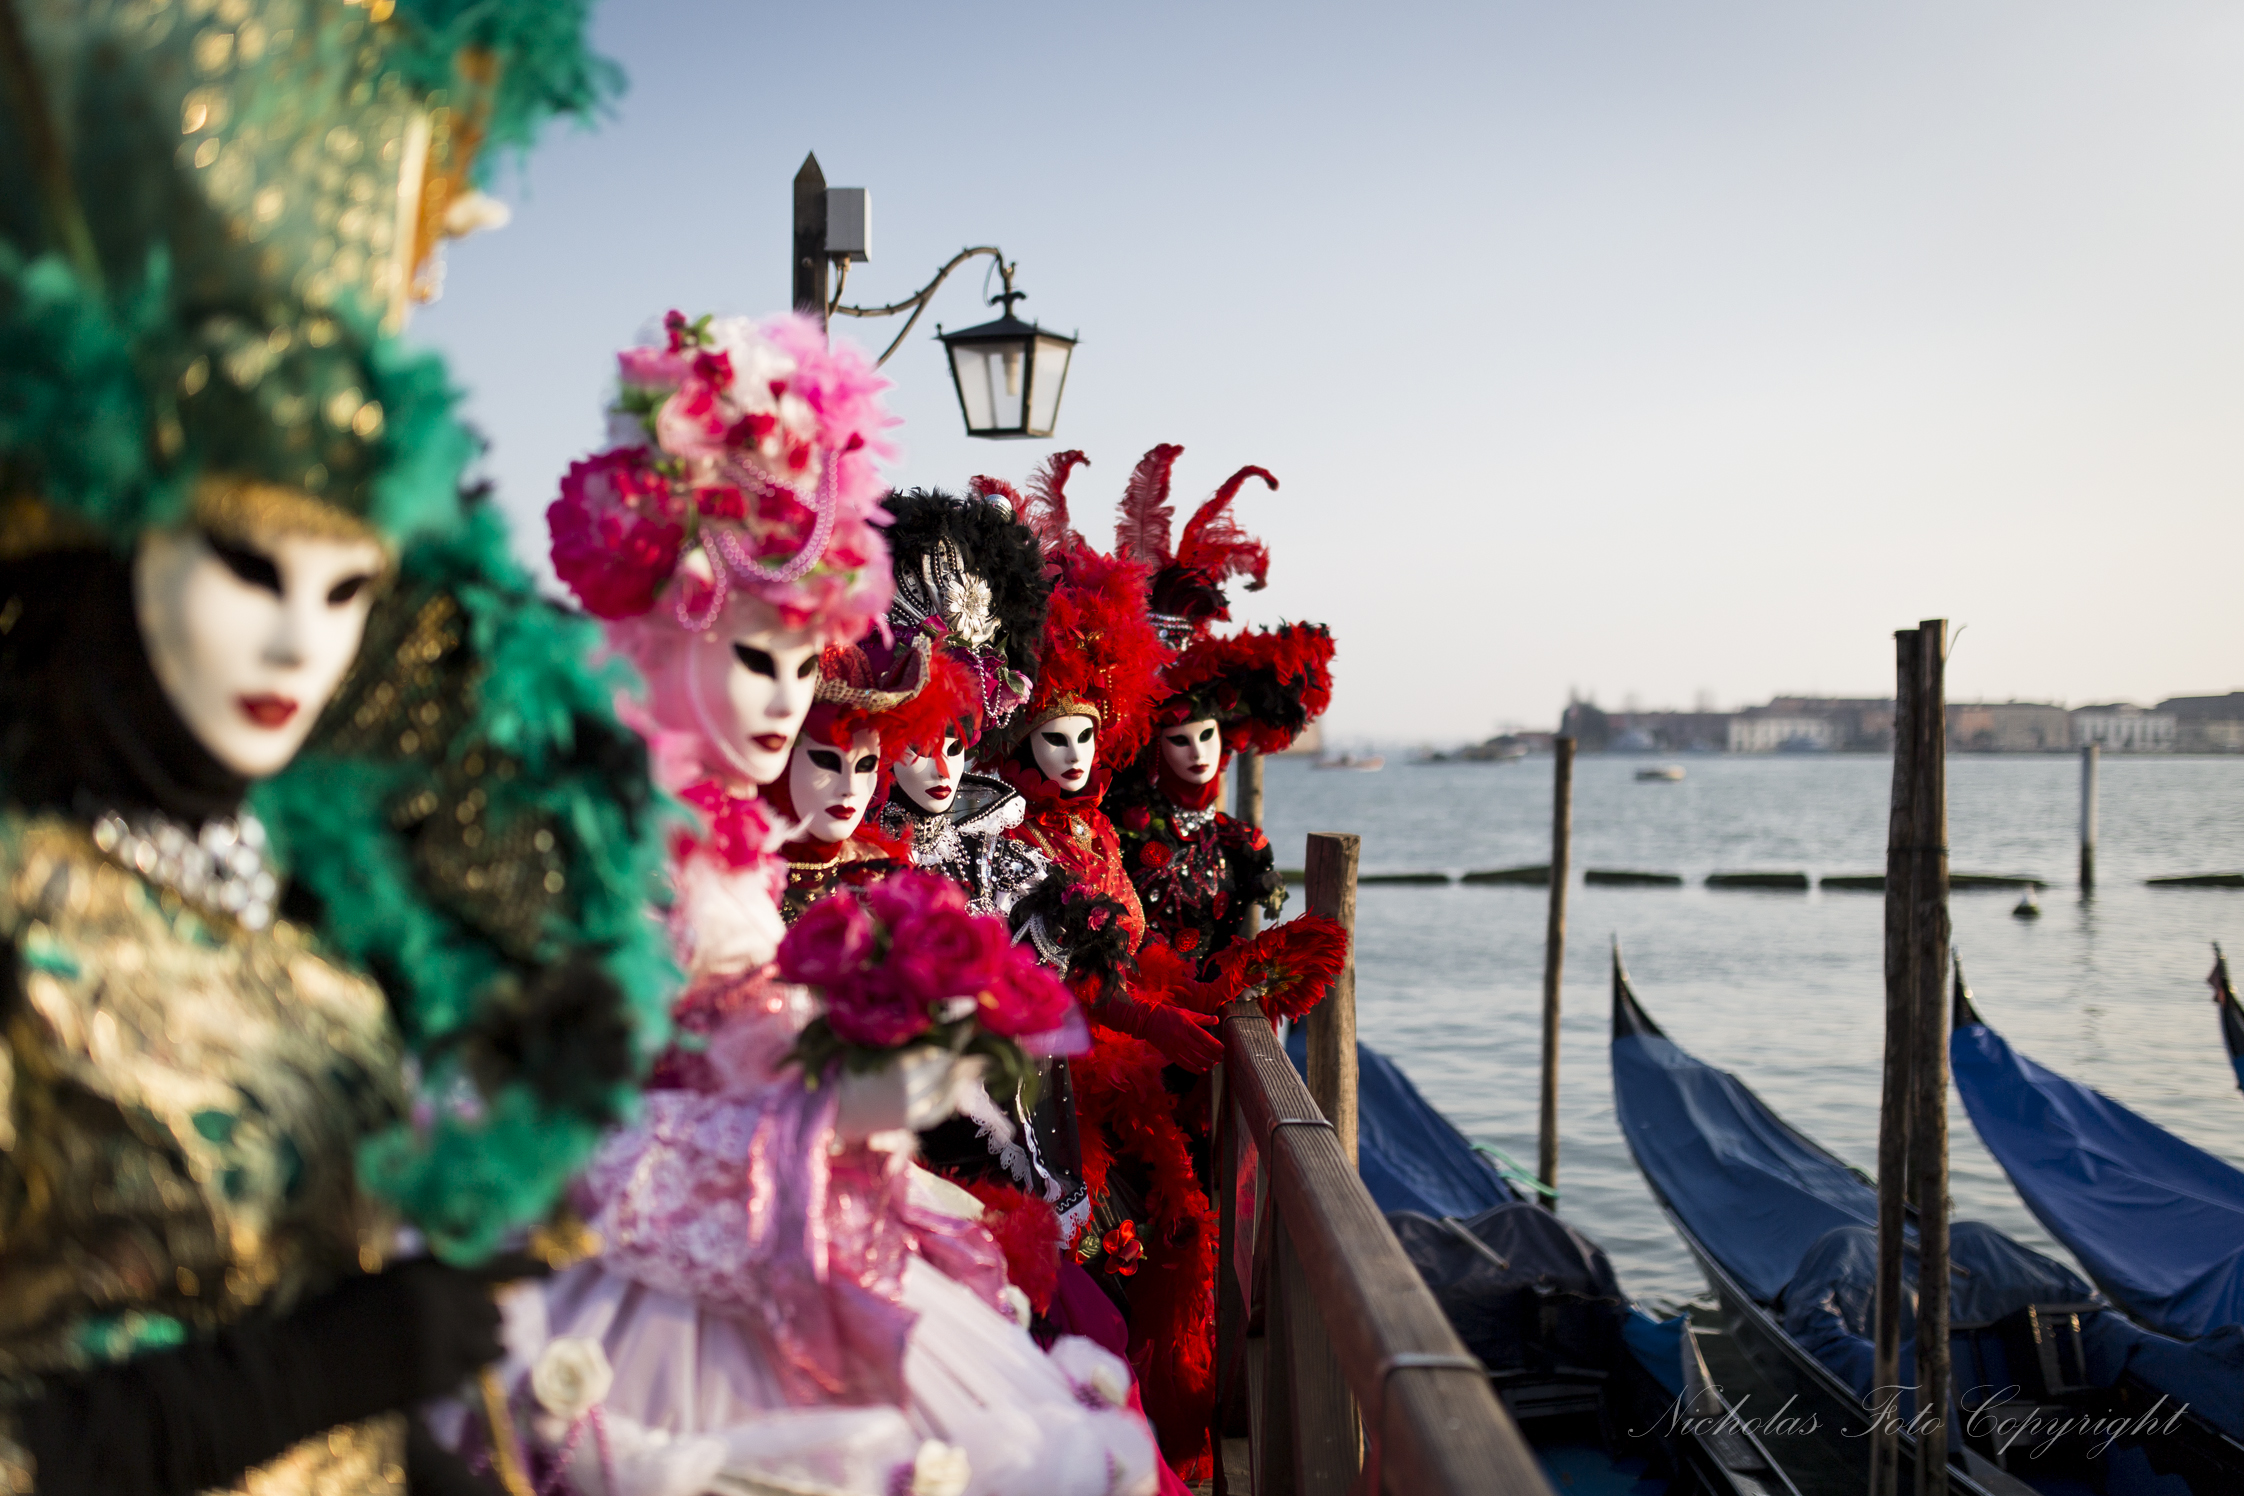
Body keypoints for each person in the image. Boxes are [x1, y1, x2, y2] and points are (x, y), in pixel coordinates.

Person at [0, 1, 657, 1491]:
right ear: (112, 549)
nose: (305, 644)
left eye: (348, 587)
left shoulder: (295, 881)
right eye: (250, 568)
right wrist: (307, 1374)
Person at [514, 313, 1163, 1496]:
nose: (784, 700)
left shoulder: (727, 836)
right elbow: (543, 1106)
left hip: (781, 1250)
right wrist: (844, 1106)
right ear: (672, 630)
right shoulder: (606, 837)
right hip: (646, 1310)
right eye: (758, 659)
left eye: (803, 664)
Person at [1103, 446, 1335, 968]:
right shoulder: (1116, 829)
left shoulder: (1239, 841)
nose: (1197, 752)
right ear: (1154, 748)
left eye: (1207, 736)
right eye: (1180, 740)